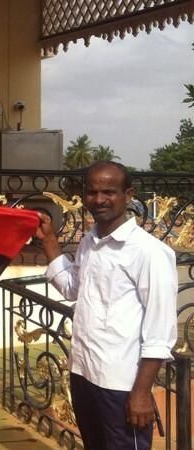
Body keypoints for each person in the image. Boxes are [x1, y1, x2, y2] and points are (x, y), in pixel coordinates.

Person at [36, 162, 177, 450]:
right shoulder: (90, 242)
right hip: (84, 375)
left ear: (129, 195)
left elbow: (160, 332)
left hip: (121, 384)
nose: (99, 200)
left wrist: (140, 393)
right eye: (92, 192)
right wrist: (50, 241)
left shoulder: (149, 253)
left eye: (109, 192)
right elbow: (72, 288)